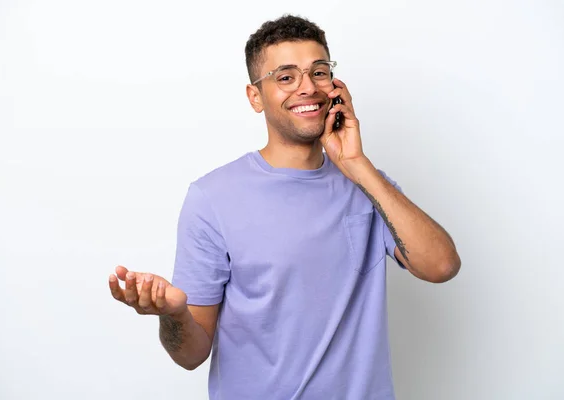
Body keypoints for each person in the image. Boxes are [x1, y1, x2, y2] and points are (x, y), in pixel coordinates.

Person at [108, 14, 461, 400]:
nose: (308, 88)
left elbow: (441, 266)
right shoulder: (212, 198)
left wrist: (357, 164)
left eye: (319, 72)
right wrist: (173, 315)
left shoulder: (369, 186)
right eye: (286, 76)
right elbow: (191, 355)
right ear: (255, 96)